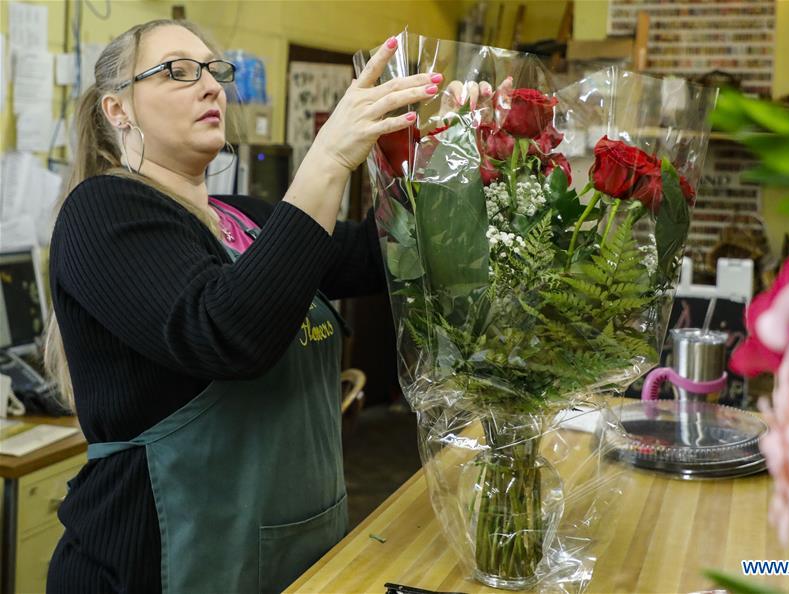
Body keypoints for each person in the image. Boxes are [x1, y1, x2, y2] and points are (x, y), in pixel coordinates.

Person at [42, 18, 469, 594]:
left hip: (294, 551)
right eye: (178, 72)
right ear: (117, 110)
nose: (211, 86)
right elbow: (225, 333)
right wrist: (327, 160)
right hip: (158, 562)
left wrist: (452, 151)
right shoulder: (102, 211)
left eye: (214, 71)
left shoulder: (246, 217)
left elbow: (385, 258)